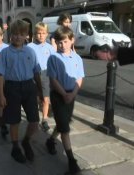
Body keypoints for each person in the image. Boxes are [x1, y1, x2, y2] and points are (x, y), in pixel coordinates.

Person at [0, 20, 43, 163]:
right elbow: (0, 75)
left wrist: (41, 92)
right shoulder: (5, 53)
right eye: (15, 34)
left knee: (34, 120)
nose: (17, 37)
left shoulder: (30, 51)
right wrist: (1, 95)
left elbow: (36, 73)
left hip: (29, 87)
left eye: (21, 34)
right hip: (12, 88)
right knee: (14, 121)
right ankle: (15, 147)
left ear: (26, 36)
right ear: (10, 35)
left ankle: (26, 141)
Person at [45, 26, 84, 174]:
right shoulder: (53, 58)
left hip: (71, 95)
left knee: (63, 123)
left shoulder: (77, 58)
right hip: (58, 96)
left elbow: (79, 78)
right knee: (65, 129)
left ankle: (50, 140)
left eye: (66, 41)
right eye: (59, 42)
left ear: (72, 40)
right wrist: (64, 94)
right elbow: (53, 79)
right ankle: (72, 160)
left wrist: (73, 94)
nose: (63, 45)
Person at [28, 22, 56, 132]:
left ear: (47, 34)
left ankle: (44, 119)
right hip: (32, 75)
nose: (41, 35)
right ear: (35, 34)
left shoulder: (50, 48)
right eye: (38, 33)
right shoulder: (29, 47)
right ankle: (34, 117)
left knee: (45, 98)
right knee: (34, 97)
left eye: (43, 33)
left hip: (45, 74)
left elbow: (54, 63)